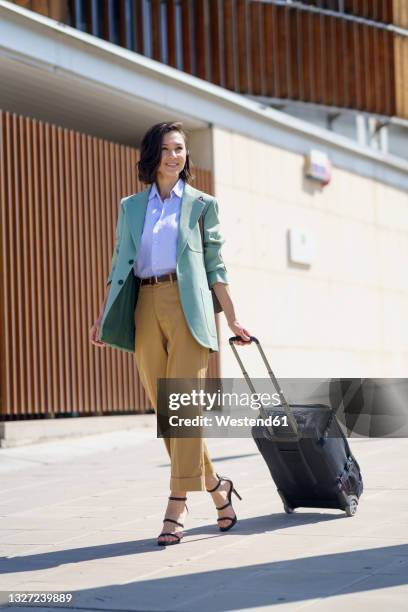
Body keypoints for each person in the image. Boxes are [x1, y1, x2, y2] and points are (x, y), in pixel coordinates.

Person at [90, 121, 251, 546]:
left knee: (184, 407)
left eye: (180, 148)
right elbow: (118, 264)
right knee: (168, 412)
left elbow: (216, 266)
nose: (175, 156)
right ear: (152, 155)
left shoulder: (202, 205)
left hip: (188, 308)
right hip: (144, 304)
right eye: (166, 149)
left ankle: (176, 503)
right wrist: (104, 315)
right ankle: (218, 488)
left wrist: (232, 318)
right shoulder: (130, 207)